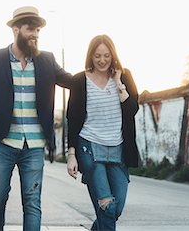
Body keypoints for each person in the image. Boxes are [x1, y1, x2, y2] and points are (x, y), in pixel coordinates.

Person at [0, 6, 72, 231]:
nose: (35, 34)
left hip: (35, 145)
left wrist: (100, 72)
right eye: (30, 29)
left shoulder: (46, 60)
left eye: (38, 30)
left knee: (32, 202)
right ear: (15, 29)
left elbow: (71, 81)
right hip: (2, 144)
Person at [66, 34, 140, 231]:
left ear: (113, 55)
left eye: (106, 55)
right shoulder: (79, 80)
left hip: (118, 148)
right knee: (106, 205)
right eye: (97, 56)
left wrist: (118, 82)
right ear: (90, 56)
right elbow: (72, 119)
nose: (102, 60)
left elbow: (133, 109)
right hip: (89, 146)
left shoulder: (124, 76)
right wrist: (71, 155)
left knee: (117, 207)